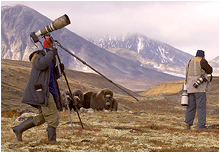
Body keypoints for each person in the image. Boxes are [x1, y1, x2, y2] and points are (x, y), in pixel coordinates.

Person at [12, 37, 64, 142]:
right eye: (52, 45)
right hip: (44, 92)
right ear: (50, 46)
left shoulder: (49, 59)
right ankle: (52, 142)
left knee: (43, 117)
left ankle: (19, 129)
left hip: (48, 91)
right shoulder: (40, 56)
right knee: (53, 117)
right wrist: (51, 54)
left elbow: (50, 77)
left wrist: (59, 70)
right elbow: (41, 65)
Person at [184, 50, 213, 129]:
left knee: (190, 107)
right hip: (200, 89)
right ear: (203, 56)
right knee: (201, 107)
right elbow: (210, 70)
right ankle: (201, 126)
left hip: (190, 88)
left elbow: (186, 75)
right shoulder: (202, 61)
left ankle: (187, 124)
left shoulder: (190, 62)